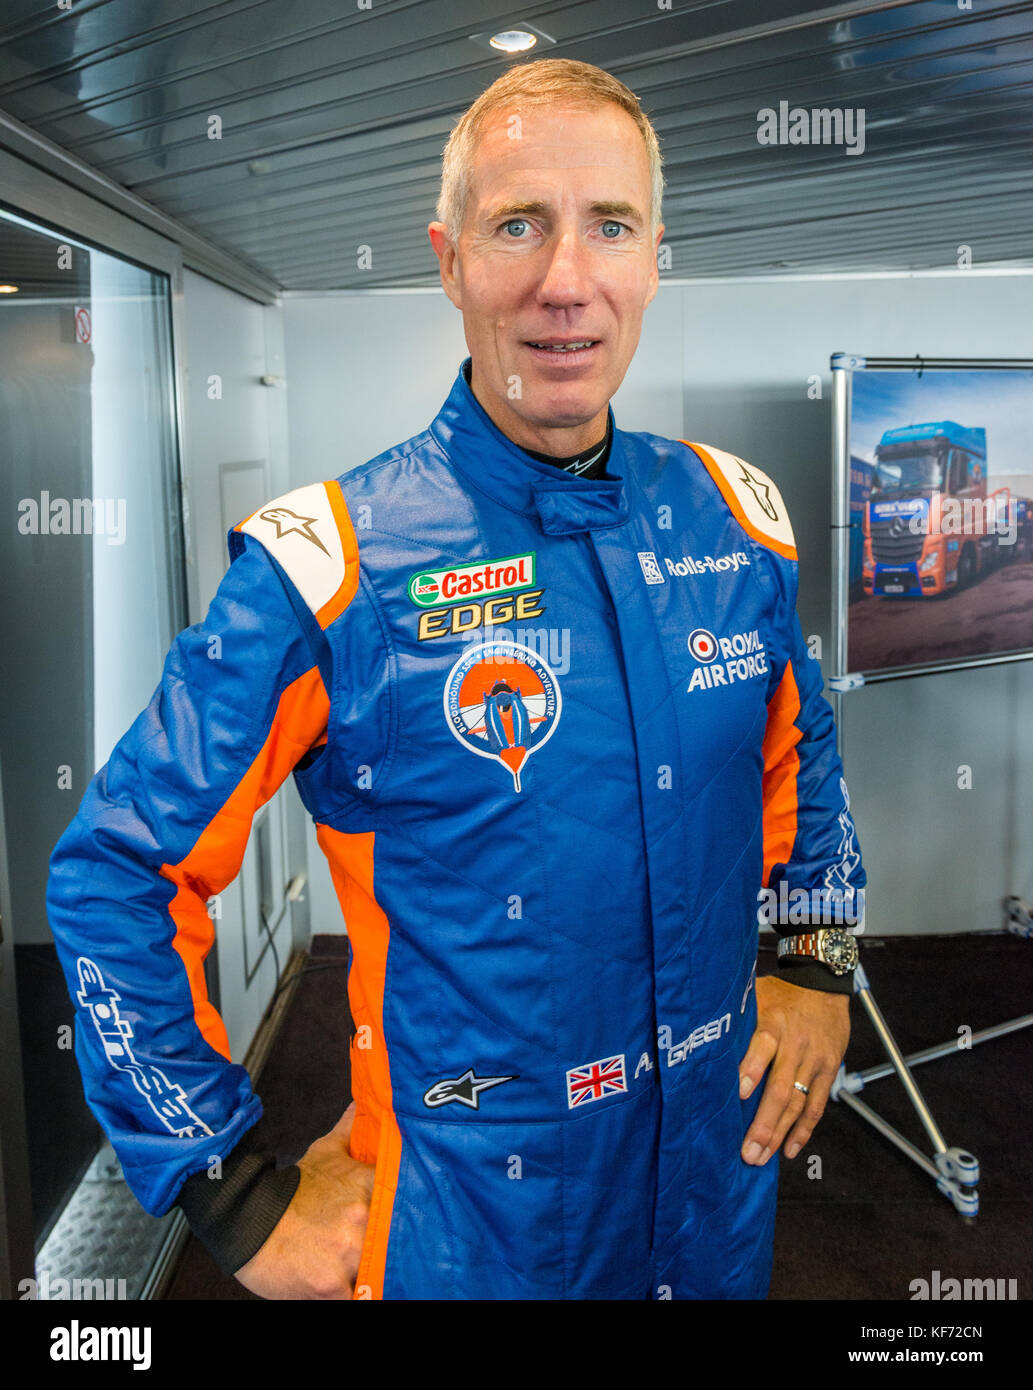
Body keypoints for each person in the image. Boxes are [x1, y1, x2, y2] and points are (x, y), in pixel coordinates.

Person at [46, 58, 865, 1301]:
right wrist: (230, 1185)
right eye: (517, 226)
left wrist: (813, 963)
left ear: (653, 258)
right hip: (470, 1232)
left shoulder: (737, 519)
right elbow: (115, 870)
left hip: (710, 1192)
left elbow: (800, 763)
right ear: (449, 260)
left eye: (611, 226)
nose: (565, 282)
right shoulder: (326, 567)